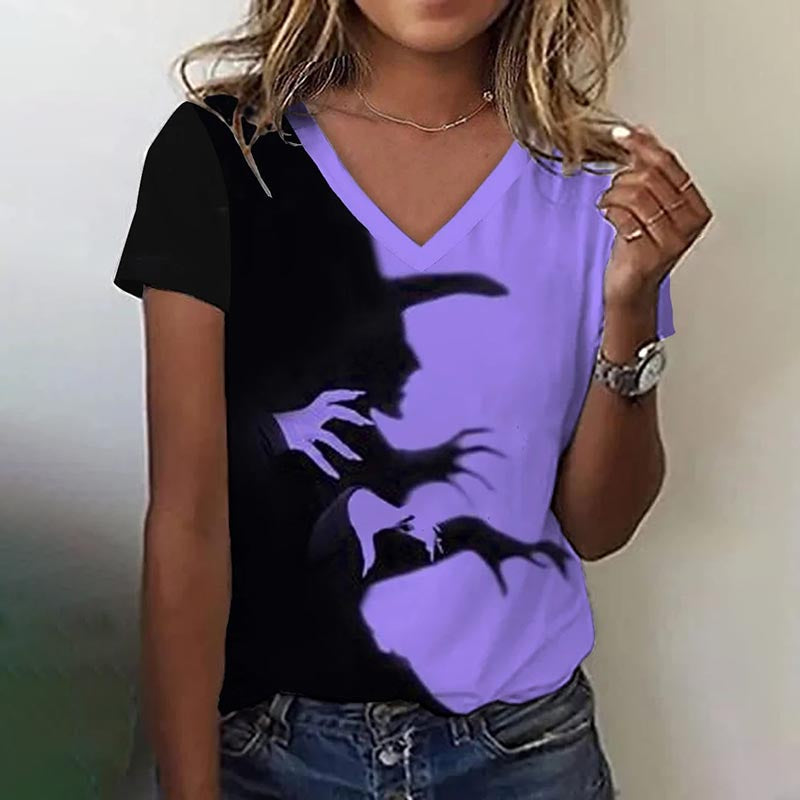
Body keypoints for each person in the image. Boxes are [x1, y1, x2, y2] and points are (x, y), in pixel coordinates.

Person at [112, 1, 712, 798]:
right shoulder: (223, 155)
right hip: (268, 752)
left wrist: (632, 308)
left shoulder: (597, 187)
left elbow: (598, 526)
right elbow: (186, 524)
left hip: (524, 754)